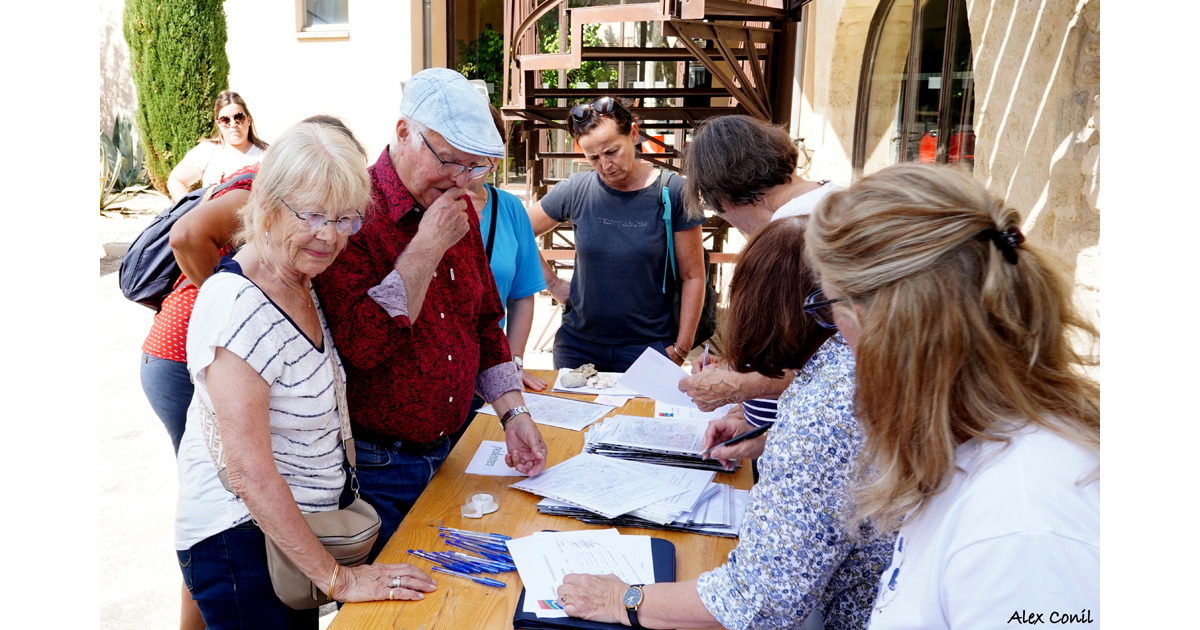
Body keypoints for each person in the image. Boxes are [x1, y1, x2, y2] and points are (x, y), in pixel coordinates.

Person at [555, 217, 894, 630]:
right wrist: (767, 439)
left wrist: (621, 599)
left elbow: (759, 600)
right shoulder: (853, 357)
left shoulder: (824, 408)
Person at [803, 163, 1100, 628]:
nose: (839, 340)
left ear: (887, 329)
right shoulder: (974, 452)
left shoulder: (1022, 523)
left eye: (830, 307)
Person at [175, 120, 439, 628]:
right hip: (242, 542)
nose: (330, 236)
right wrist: (340, 580)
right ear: (268, 206)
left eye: (345, 220)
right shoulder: (237, 306)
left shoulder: (299, 276)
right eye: (313, 215)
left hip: (292, 534)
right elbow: (250, 473)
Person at [312, 68, 548, 563]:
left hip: (453, 446)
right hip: (379, 465)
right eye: (449, 161)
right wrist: (424, 249)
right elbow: (362, 345)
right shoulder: (351, 212)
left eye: (475, 166)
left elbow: (484, 321)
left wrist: (513, 411)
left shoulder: (457, 204)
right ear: (403, 132)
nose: (461, 179)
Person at [679, 114, 846, 430]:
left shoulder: (791, 232)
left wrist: (741, 385)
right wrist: (738, 366)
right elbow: (809, 345)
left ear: (725, 198)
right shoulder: (833, 198)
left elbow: (828, 366)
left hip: (807, 438)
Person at [527, 96, 706, 371]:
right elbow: (519, 229)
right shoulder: (577, 189)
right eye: (593, 158)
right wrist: (551, 283)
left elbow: (693, 275)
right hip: (578, 345)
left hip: (648, 348)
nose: (605, 165)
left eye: (612, 152)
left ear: (633, 133)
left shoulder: (674, 192)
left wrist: (682, 347)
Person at [167, 90, 268, 201]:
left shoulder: (267, 154)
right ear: (218, 124)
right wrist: (189, 211)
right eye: (225, 120)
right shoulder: (208, 150)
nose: (233, 124)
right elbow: (176, 180)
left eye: (239, 118)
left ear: (248, 120)